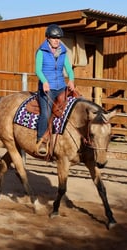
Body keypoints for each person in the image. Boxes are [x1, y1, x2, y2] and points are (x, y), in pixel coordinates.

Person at [35, 24, 75, 156]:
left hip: (61, 86)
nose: (57, 40)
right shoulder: (41, 52)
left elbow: (68, 68)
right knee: (46, 113)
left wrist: (71, 79)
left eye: (58, 38)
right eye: (54, 38)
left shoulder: (62, 51)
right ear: (48, 38)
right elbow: (38, 70)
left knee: (74, 106)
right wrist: (44, 81)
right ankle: (42, 139)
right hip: (47, 88)